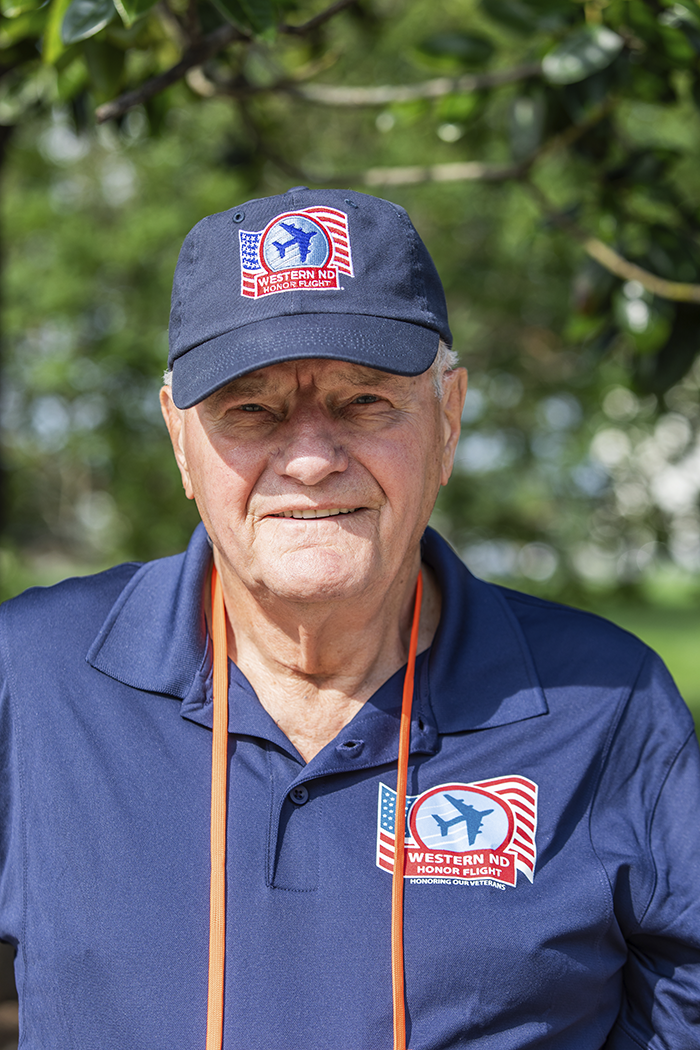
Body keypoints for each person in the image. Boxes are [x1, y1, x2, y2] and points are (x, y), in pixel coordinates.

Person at [0, 187, 699, 1050]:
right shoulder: (32, 674)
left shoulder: (608, 702)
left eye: (365, 402)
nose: (309, 458)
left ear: (448, 418)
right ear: (180, 440)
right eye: (250, 410)